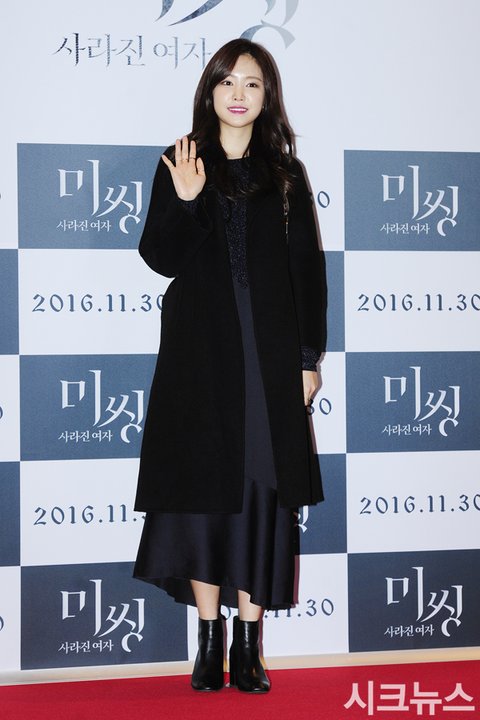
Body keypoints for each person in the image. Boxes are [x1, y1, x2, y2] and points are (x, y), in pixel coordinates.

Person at [133, 38, 327, 693]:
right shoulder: (181, 160)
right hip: (199, 356)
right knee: (200, 495)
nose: (238, 94)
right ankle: (208, 640)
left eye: (252, 83)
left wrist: (307, 358)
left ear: (267, 97)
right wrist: (189, 200)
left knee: (260, 492)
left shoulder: (286, 175)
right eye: (227, 82)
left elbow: (308, 273)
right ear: (210, 91)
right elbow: (160, 258)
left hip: (268, 357)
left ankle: (249, 644)